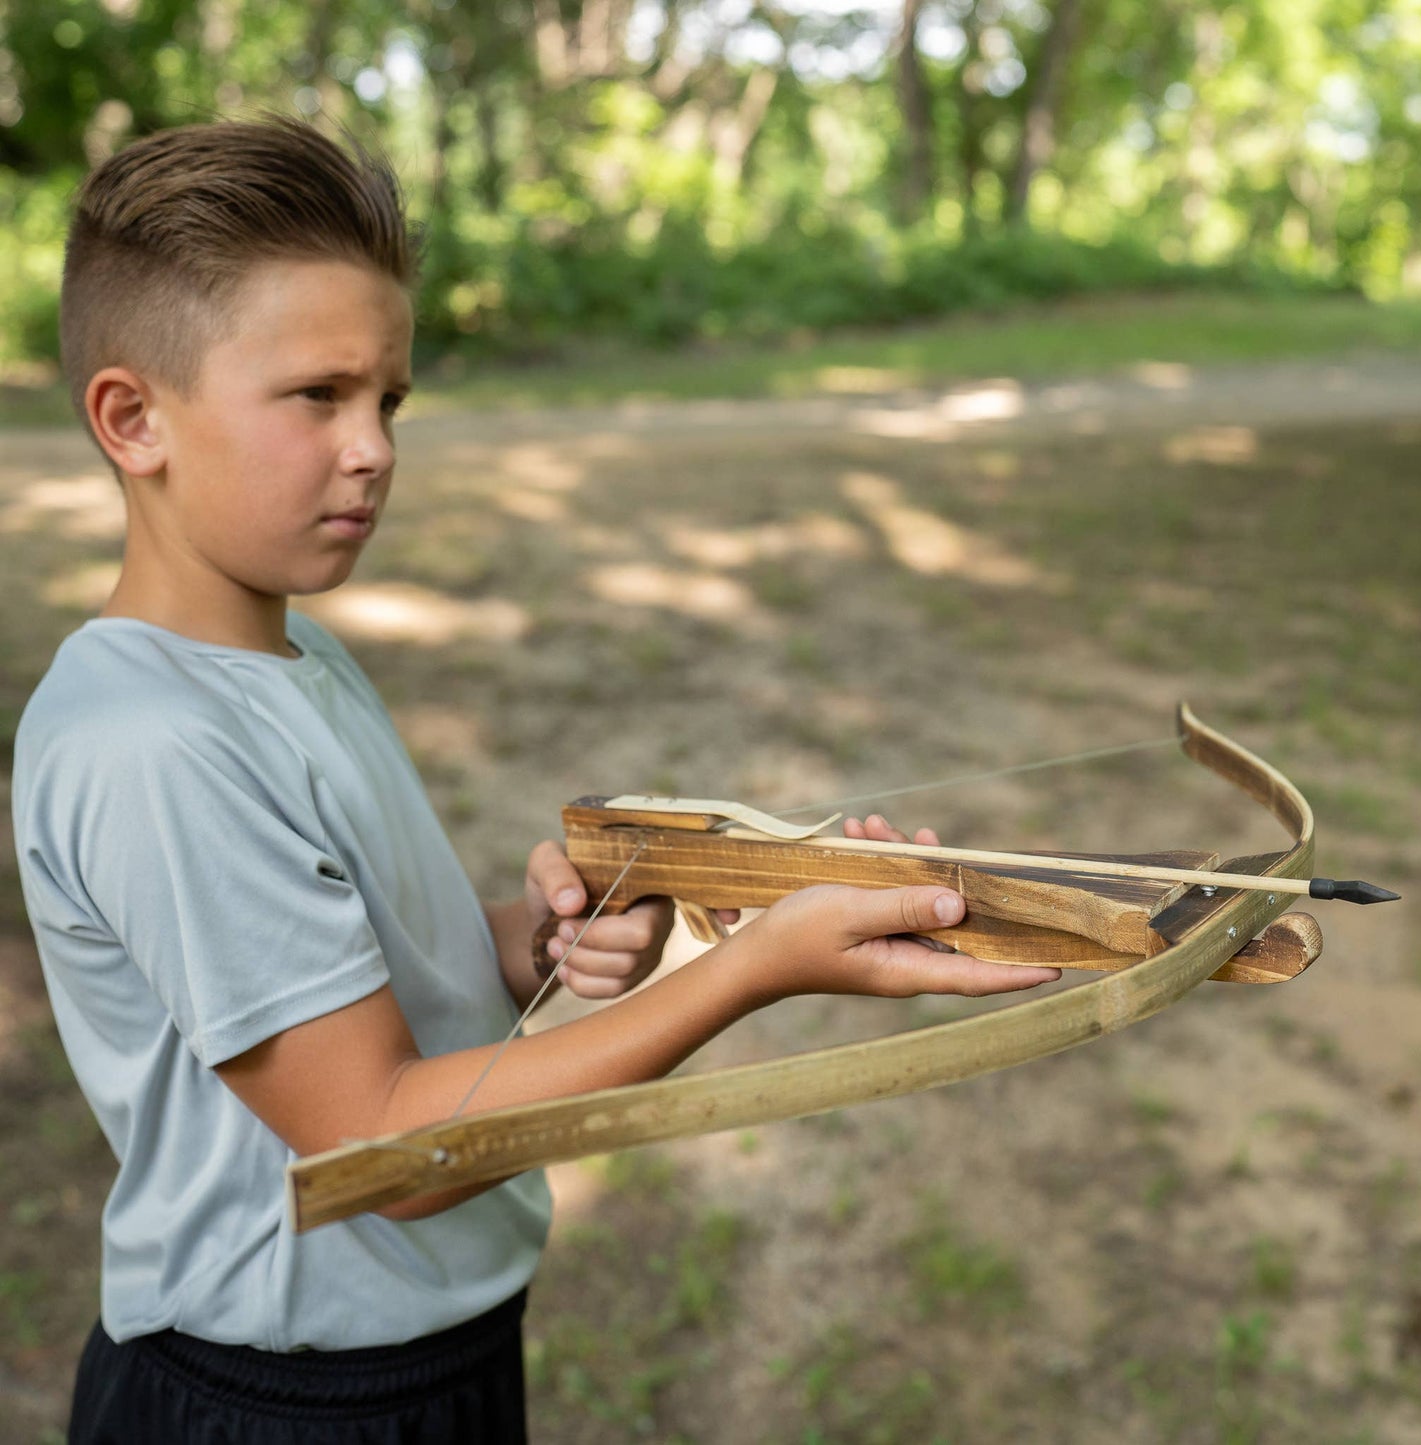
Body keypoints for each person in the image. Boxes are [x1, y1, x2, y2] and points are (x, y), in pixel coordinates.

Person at [10, 115, 1061, 1444]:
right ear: (132, 418)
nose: (374, 446)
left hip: (422, 1359)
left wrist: (546, 939)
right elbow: (378, 1147)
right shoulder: (151, 742)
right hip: (281, 1404)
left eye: (386, 399)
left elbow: (372, 975)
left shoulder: (295, 650)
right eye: (315, 396)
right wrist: (758, 966)